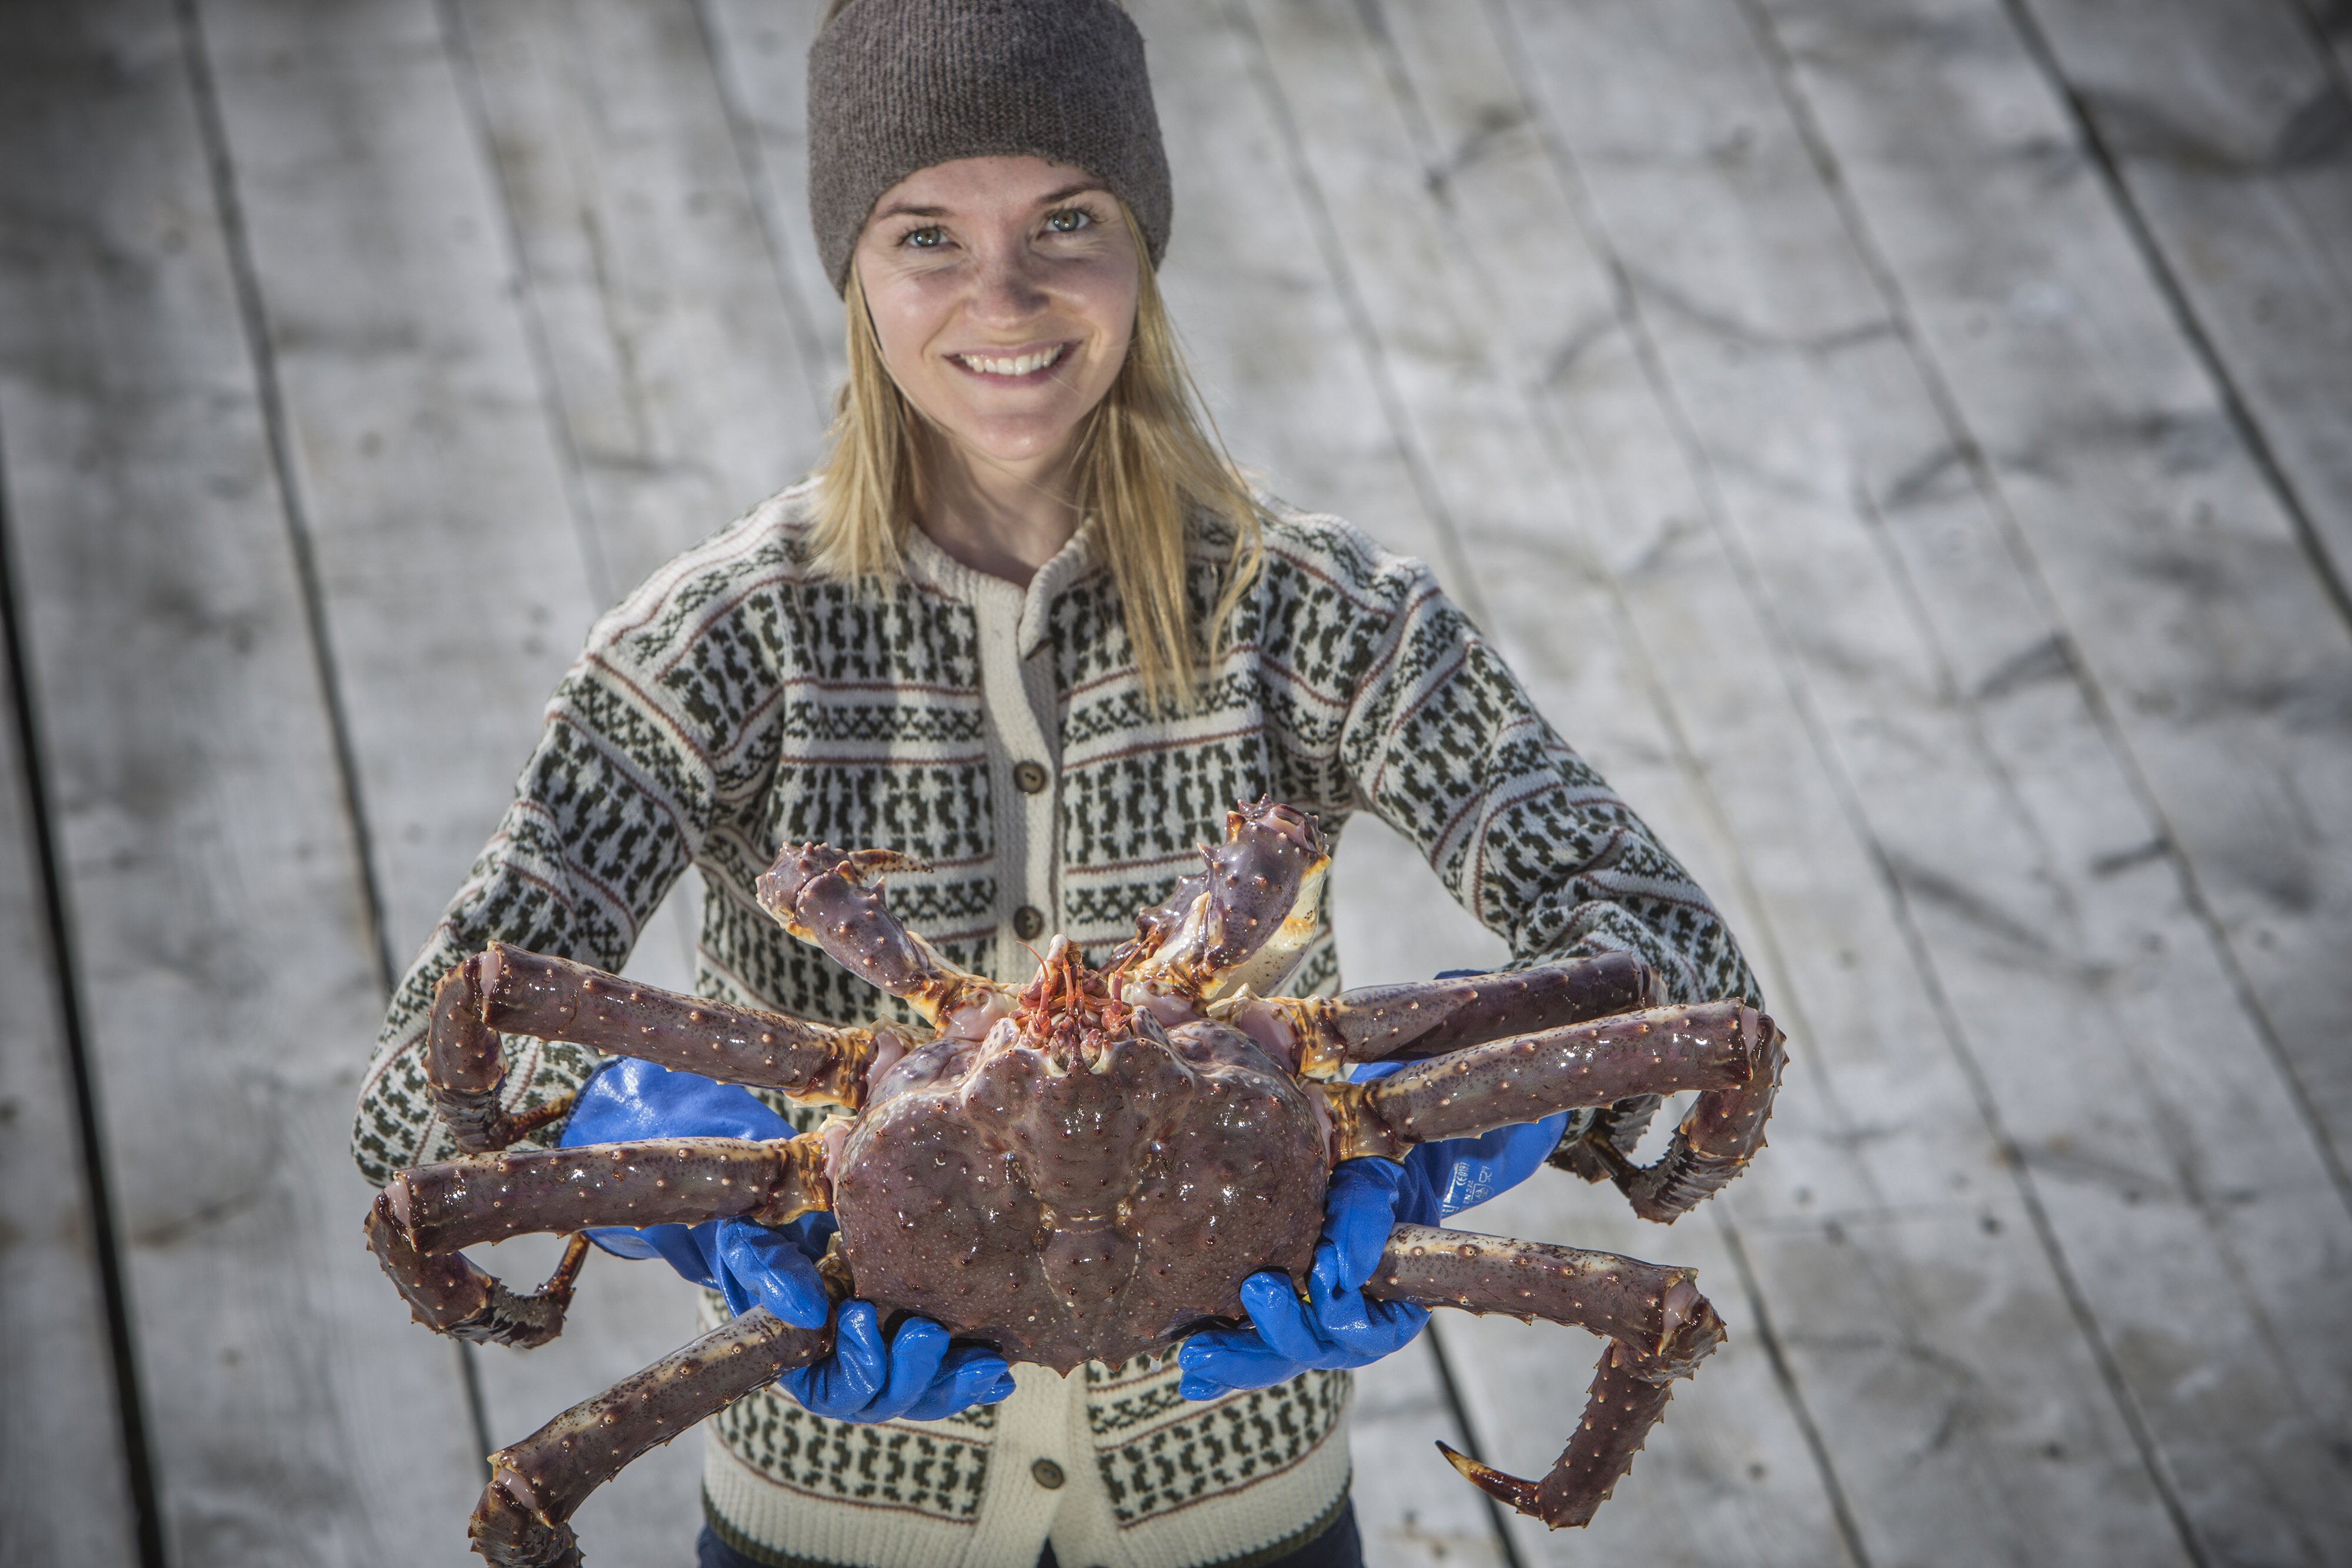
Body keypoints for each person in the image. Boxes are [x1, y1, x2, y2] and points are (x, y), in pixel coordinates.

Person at [350, 1, 1760, 1564]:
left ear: (1145, 247)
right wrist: (639, 1148)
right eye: (927, 233)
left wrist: (1430, 1131)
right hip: (822, 1522)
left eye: (1066, 221)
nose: (1002, 295)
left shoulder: (1325, 622)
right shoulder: (714, 648)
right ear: (853, 271)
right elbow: (415, 1107)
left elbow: (1685, 972)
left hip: (1247, 1523)